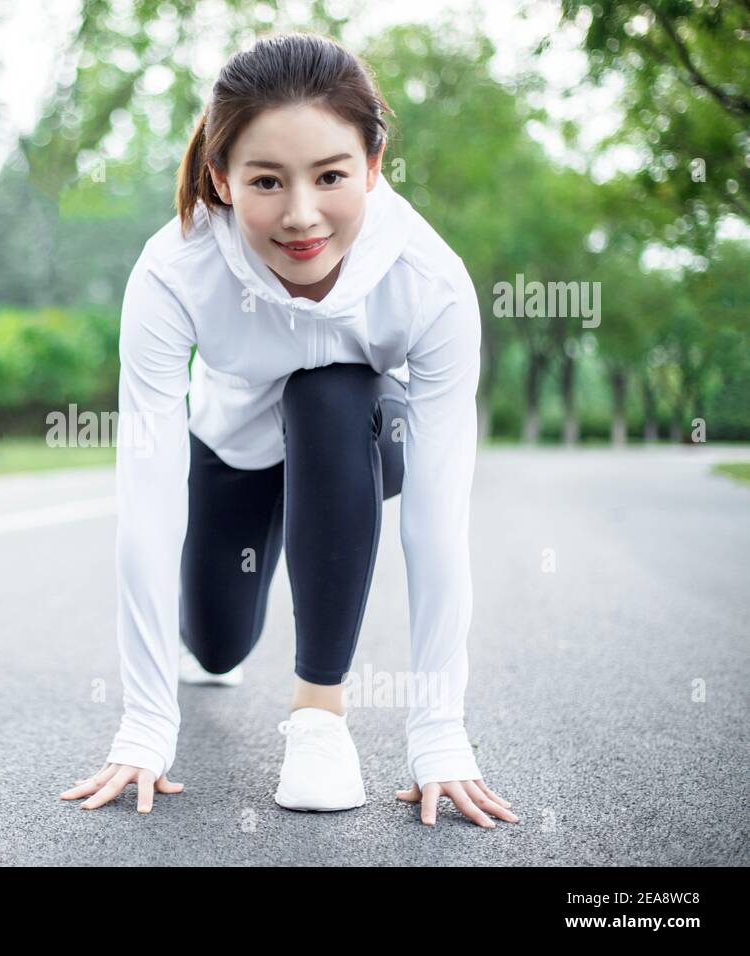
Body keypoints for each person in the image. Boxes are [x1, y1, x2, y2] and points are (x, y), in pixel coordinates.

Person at [59, 32, 516, 828]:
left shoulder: (429, 282)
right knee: (216, 644)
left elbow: (439, 522)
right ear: (222, 179)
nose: (301, 215)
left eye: (332, 176)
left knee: (332, 389)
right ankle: (210, 637)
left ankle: (319, 718)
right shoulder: (174, 271)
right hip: (230, 452)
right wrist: (145, 722)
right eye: (267, 180)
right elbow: (148, 492)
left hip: (353, 445)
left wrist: (440, 733)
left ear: (373, 166)